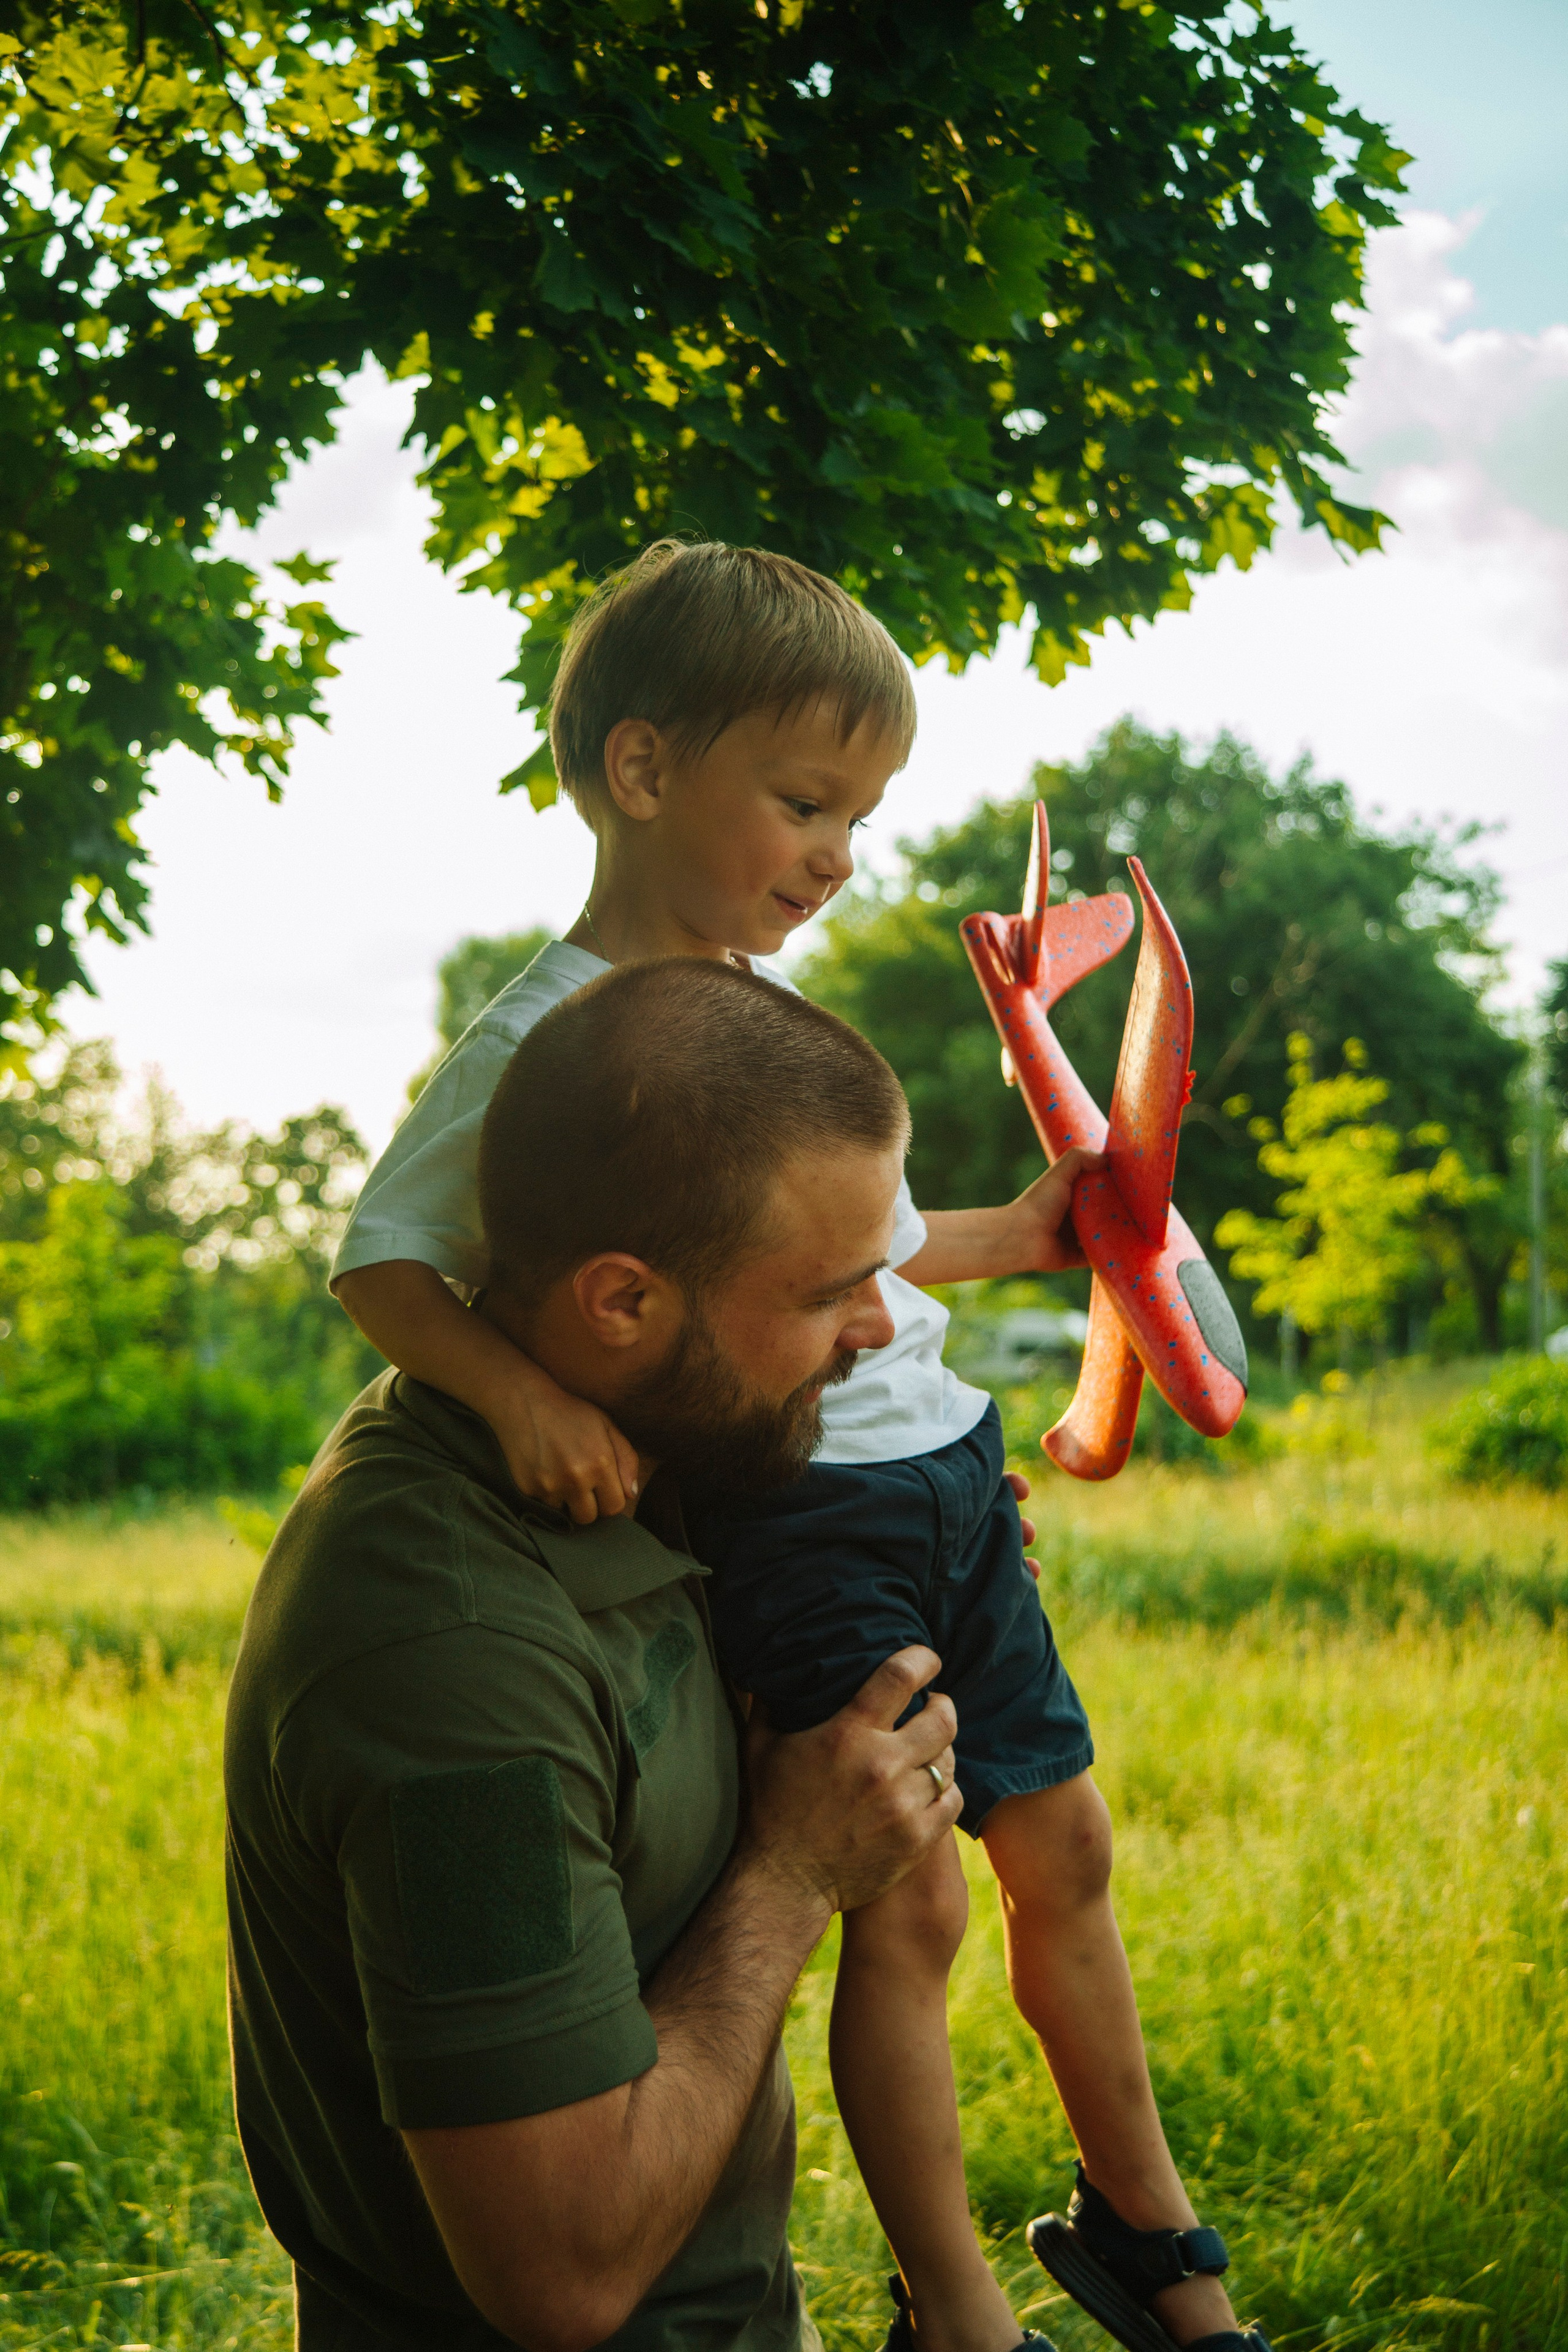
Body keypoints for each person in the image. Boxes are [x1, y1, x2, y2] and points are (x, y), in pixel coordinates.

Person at [331, 542, 1267, 2352]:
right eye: (806, 801)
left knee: (1063, 1848)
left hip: (944, 1476)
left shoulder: (763, 1021)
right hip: (806, 1513)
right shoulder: (547, 1041)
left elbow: (869, 1261)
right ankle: (957, 2305)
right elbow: (383, 1260)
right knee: (909, 1903)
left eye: (861, 816)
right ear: (640, 769)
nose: (839, 853)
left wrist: (1036, 1228)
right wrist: (525, 1399)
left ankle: (1150, 2236)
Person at [225, 961, 978, 2352]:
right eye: (832, 1292)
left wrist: (918, 1540)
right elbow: (559, 2274)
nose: (878, 1328)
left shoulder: (650, 1457)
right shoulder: (448, 1653)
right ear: (621, 1301)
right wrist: (797, 1873)